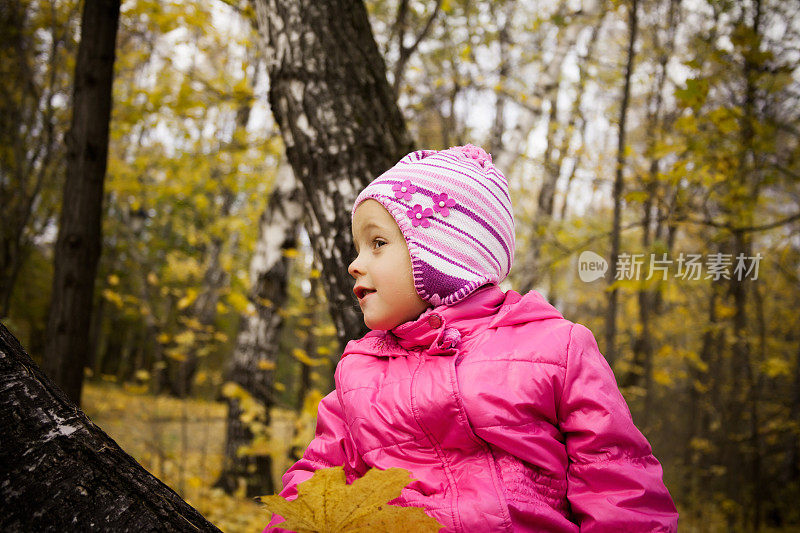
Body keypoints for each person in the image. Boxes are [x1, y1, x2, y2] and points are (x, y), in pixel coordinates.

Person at [264, 145, 679, 532]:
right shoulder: (358, 372)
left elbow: (618, 484)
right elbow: (317, 480)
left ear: (445, 256)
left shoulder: (554, 349)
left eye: (377, 243)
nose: (355, 264)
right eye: (359, 247)